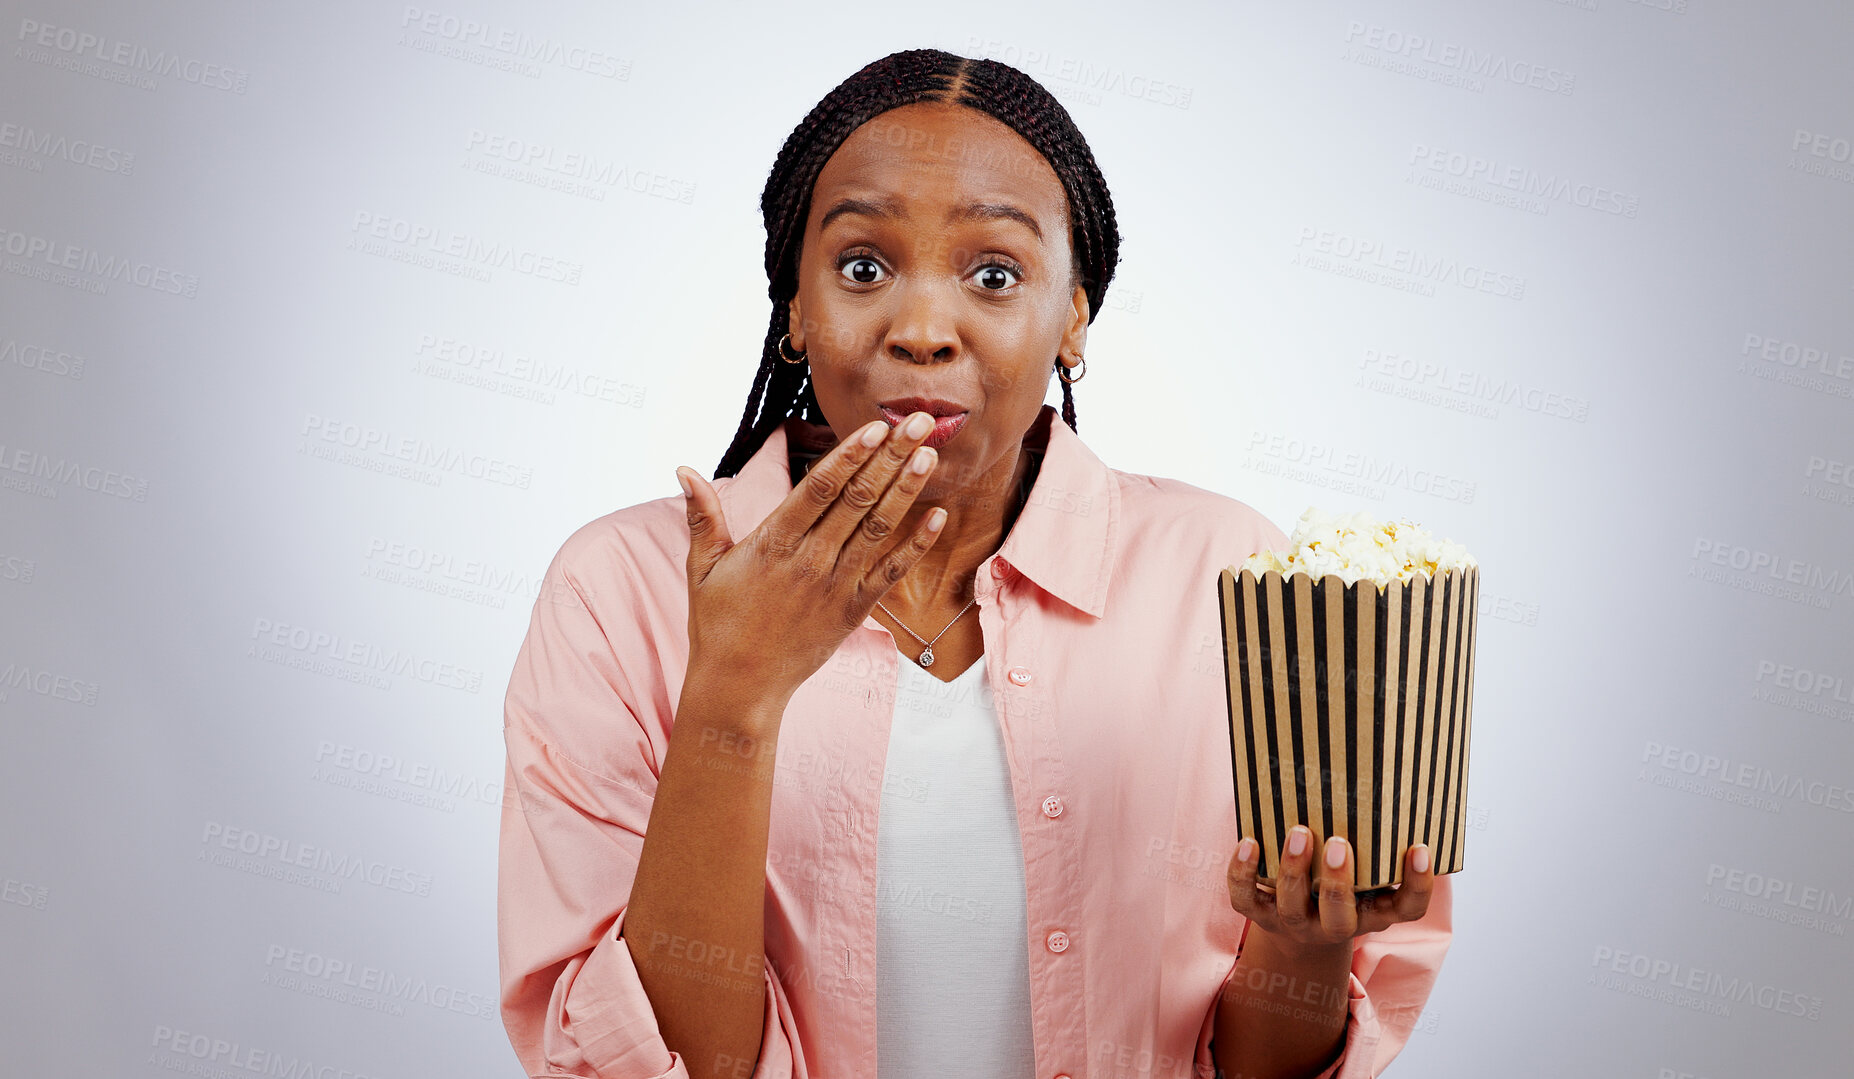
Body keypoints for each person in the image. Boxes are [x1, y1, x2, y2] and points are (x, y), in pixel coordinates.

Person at [498, 48, 1451, 1079]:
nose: (920, 330)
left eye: (994, 274)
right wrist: (732, 694)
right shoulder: (618, 588)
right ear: (795, 306)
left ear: (1074, 314)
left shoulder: (1233, 576)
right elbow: (660, 1066)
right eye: (863, 266)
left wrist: (1310, 939)